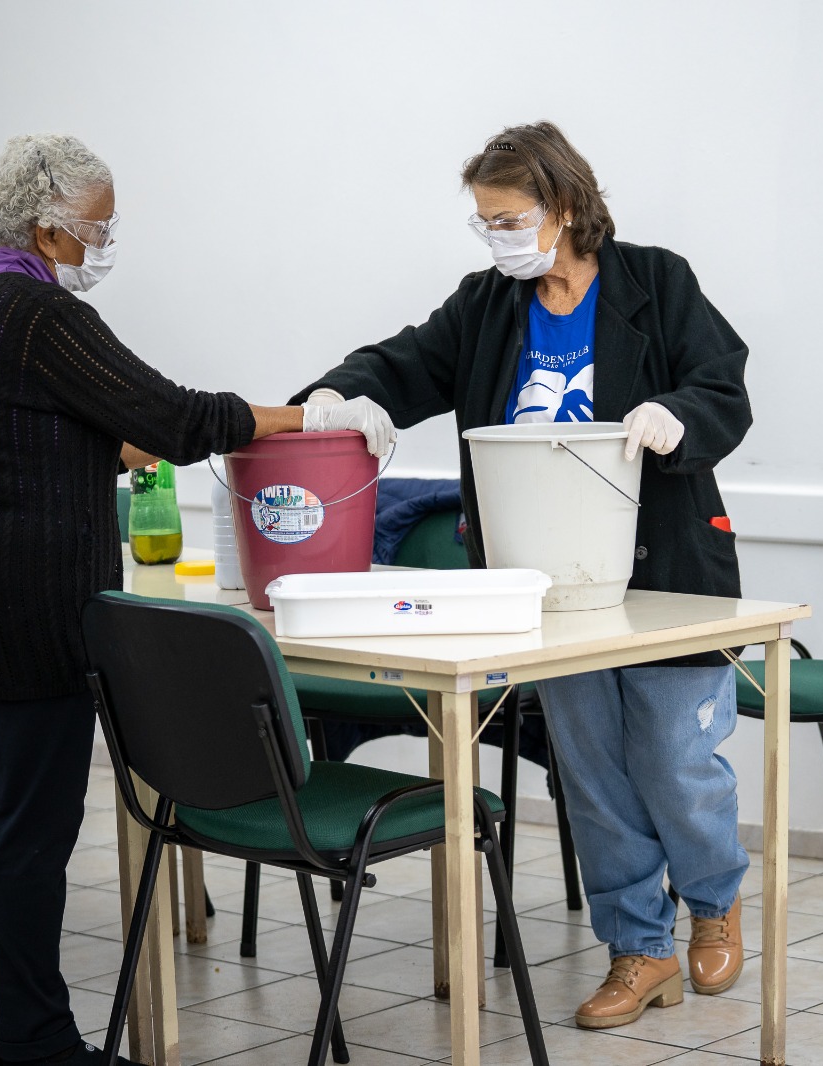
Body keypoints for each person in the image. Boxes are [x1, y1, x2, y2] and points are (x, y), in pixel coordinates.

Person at [0, 133, 377, 1066]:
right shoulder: (43, 319)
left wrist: (116, 445)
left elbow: (44, 437)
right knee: (30, 838)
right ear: (49, 230)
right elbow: (175, 416)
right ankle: (40, 1045)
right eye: (97, 226)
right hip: (34, 607)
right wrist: (313, 416)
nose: (106, 241)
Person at [292, 121, 752, 1031]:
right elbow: (404, 361)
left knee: (671, 756)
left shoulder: (657, 282)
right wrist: (342, 395)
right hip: (543, 583)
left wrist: (674, 413)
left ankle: (712, 899)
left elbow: (724, 385)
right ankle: (639, 948)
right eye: (486, 223)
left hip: (667, 569)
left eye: (509, 219)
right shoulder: (488, 305)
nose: (497, 237)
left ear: (567, 207)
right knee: (591, 770)